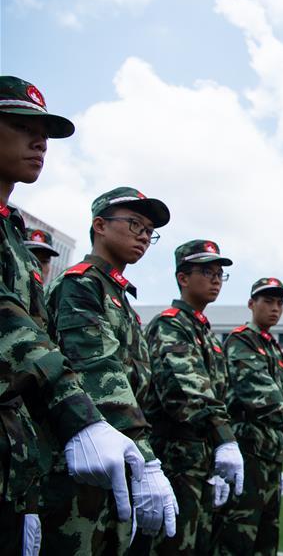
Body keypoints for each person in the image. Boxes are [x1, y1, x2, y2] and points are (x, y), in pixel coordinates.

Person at [0, 76, 145, 556]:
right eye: (23, 125)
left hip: (23, 462)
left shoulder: (12, 234)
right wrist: (82, 420)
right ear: (100, 226)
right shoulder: (80, 283)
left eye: (45, 132)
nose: (39, 142)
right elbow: (16, 331)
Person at [42, 187, 179, 553]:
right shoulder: (80, 285)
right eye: (135, 223)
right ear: (100, 226)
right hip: (78, 464)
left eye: (150, 230)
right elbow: (99, 375)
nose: (144, 235)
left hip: (115, 457)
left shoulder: (117, 296)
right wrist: (148, 460)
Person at [139, 239, 244, 555]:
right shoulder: (171, 325)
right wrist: (224, 438)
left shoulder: (203, 330)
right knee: (174, 546)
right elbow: (186, 393)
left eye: (219, 274)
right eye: (206, 271)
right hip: (176, 459)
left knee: (200, 544)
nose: (215, 279)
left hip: (199, 460)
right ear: (183, 278)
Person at [211, 277, 283, 556]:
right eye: (267, 301)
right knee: (238, 537)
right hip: (247, 454)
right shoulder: (242, 339)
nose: (275, 308)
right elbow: (259, 390)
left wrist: (278, 454)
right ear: (251, 304)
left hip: (268, 456)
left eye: (279, 303)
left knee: (267, 538)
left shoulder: (271, 346)